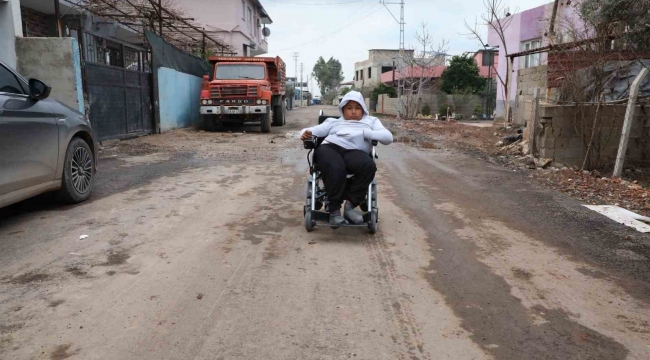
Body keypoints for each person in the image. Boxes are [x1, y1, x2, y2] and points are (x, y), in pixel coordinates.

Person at [300, 91, 393, 226]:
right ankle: (334, 211)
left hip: (354, 152)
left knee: (369, 166)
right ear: (343, 109)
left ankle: (349, 207)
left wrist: (365, 133)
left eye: (357, 107)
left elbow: (388, 138)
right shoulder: (333, 122)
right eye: (349, 108)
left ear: (363, 108)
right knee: (336, 167)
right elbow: (311, 130)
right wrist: (304, 133)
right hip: (330, 148)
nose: (353, 112)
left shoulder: (371, 121)